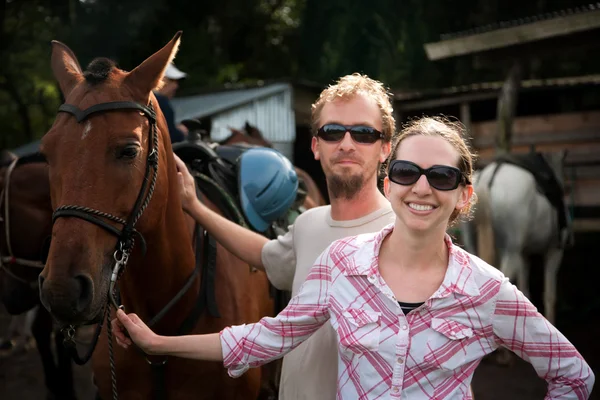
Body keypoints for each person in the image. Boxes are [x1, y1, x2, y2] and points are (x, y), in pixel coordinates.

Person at [114, 116, 594, 399]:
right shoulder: (342, 262)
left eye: (442, 177)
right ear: (389, 183)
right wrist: (158, 344)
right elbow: (267, 337)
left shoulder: (487, 289)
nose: (422, 187)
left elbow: (574, 374)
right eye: (407, 171)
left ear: (464, 197)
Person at [123, 73, 397, 400]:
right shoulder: (309, 225)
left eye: (364, 133)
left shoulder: (401, 235)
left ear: (385, 148)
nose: (347, 144)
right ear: (315, 146)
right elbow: (267, 256)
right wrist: (195, 207)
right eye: (333, 131)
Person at [154, 62, 188, 143]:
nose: (176, 86)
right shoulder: (160, 102)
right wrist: (181, 132)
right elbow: (168, 136)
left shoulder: (137, 100)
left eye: (177, 82)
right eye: (171, 80)